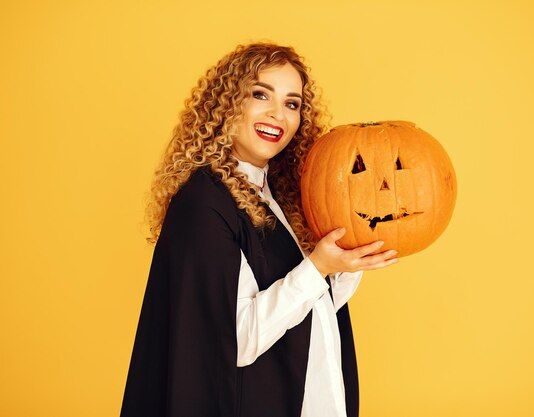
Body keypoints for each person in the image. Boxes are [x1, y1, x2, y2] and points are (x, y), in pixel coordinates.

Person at [120, 42, 398, 417]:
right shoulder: (203, 205)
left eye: (292, 103)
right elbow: (233, 341)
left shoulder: (278, 195)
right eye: (259, 94)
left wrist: (345, 264)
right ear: (226, 104)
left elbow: (308, 308)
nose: (277, 114)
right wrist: (318, 268)